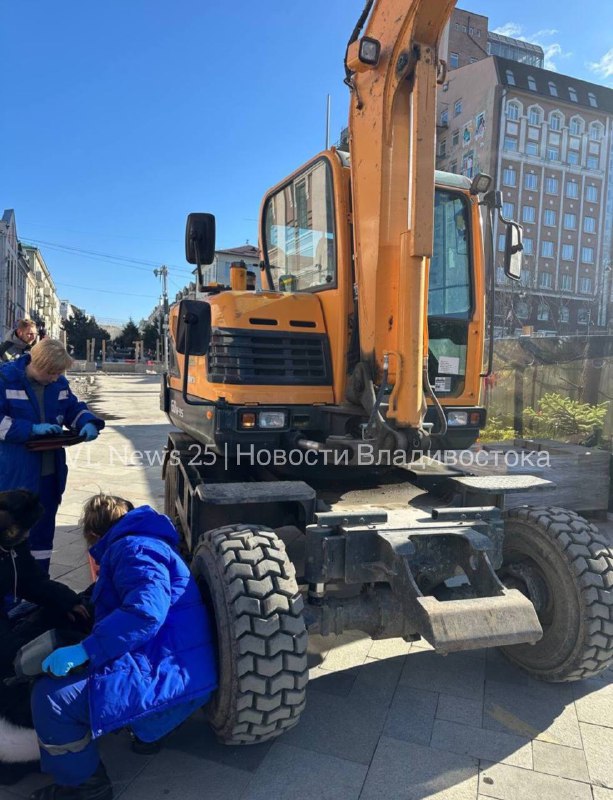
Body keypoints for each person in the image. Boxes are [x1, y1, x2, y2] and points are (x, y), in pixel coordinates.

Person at [30, 494, 218, 800]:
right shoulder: (146, 542)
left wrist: (85, 650)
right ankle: (149, 733)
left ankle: (86, 788)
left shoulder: (132, 549)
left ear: (93, 535)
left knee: (51, 699)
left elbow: (145, 612)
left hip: (173, 680)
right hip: (186, 670)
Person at [0, 489, 89, 787]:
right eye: (24, 532)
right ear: (11, 529)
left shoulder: (11, 544)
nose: (27, 537)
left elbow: (30, 579)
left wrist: (66, 600)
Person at [0, 339, 104, 573]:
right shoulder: (5, 380)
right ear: (39, 366)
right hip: (14, 475)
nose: (57, 378)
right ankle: (9, 594)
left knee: (43, 536)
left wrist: (87, 422)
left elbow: (73, 409)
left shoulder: (58, 384)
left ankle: (38, 585)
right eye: (54, 372)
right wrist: (30, 429)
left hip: (49, 475)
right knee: (11, 534)